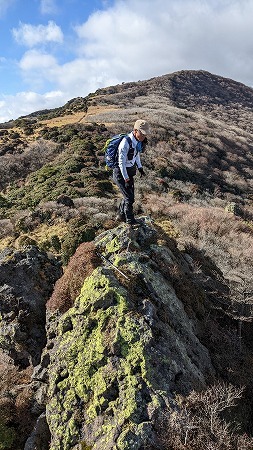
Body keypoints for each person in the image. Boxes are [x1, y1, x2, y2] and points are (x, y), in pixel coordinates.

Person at [113, 119, 150, 225]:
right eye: (142, 134)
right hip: (120, 173)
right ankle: (129, 220)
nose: (143, 137)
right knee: (130, 198)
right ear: (135, 131)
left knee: (128, 196)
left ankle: (120, 215)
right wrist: (126, 178)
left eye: (145, 135)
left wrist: (140, 168)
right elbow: (121, 163)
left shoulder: (137, 142)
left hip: (129, 172)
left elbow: (136, 155)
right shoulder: (125, 143)